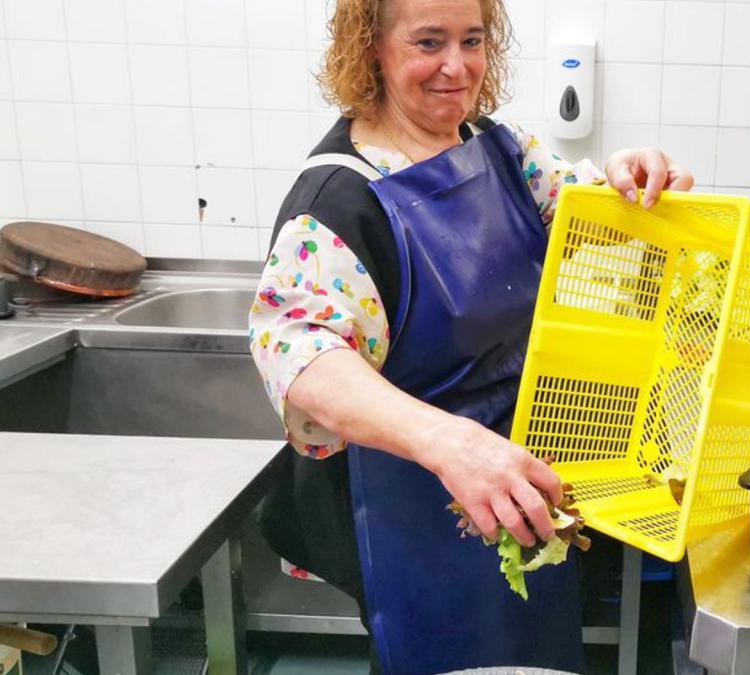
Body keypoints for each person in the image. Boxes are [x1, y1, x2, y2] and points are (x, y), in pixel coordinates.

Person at [247, 0, 693, 673]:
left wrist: (630, 177)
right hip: (413, 514)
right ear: (372, 49)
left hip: (519, 484)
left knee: (525, 646)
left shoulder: (501, 149)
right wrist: (451, 443)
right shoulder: (341, 198)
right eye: (429, 42)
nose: (457, 67)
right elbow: (301, 355)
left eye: (472, 40)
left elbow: (584, 211)